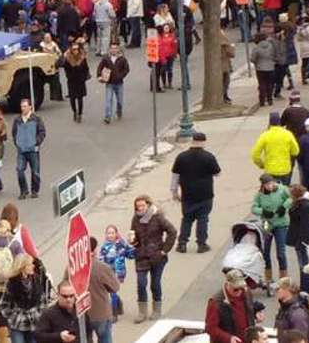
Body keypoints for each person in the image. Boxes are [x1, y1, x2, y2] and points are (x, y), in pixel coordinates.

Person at [169, 132, 221, 253]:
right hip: (205, 194)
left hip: (187, 194)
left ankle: (182, 243)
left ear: (192, 141)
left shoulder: (181, 157)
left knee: (187, 219)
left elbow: (175, 176)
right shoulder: (209, 157)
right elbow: (217, 173)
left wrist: (174, 191)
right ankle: (201, 244)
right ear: (203, 142)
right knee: (203, 219)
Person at [129, 195, 176, 323]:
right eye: (138, 206)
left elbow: (172, 231)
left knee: (155, 284)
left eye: (142, 205)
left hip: (157, 257)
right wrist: (133, 241)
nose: (140, 208)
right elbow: (134, 234)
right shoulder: (135, 219)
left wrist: (164, 250)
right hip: (141, 256)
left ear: (148, 205)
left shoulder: (158, 217)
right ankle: (142, 312)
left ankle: (156, 310)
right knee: (141, 283)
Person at [0, 254, 52, 343]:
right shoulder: (12, 283)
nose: (33, 266)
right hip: (17, 323)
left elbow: (42, 299)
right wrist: (13, 316)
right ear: (23, 267)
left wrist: (40, 313)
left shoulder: (36, 279)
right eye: (30, 264)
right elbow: (4, 304)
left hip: (34, 321)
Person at [253, 174, 292, 285]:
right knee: (265, 251)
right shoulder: (259, 195)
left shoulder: (282, 189)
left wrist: (284, 207)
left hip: (281, 224)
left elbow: (291, 198)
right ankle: (268, 277)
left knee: (281, 253)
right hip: (267, 223)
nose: (270, 186)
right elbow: (254, 208)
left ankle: (284, 278)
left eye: (271, 183)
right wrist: (263, 212)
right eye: (267, 185)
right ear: (263, 185)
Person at [204, 269, 261, 343]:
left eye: (241, 287)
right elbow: (210, 328)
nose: (239, 291)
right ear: (228, 284)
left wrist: (256, 313)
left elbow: (250, 308)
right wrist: (228, 338)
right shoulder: (216, 302)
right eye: (236, 289)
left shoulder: (246, 291)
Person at [87, 237, 120, 343]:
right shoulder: (101, 267)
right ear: (94, 250)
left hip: (82, 315)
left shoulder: (71, 268)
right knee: (105, 339)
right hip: (101, 313)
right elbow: (115, 287)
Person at [11, 99, 46, 200]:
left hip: (33, 150)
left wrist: (37, 142)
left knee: (35, 172)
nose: (23, 108)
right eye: (22, 106)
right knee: (19, 170)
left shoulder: (36, 119)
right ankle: (23, 190)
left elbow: (42, 132)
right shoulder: (17, 120)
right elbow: (14, 133)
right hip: (21, 150)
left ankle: (34, 190)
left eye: (25, 106)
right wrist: (17, 143)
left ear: (30, 107)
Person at [251, 112, 299, 184]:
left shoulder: (265, 135)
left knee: (271, 192)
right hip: (285, 169)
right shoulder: (288, 134)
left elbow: (255, 155)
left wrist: (261, 164)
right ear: (279, 122)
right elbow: (295, 151)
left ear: (269, 123)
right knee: (284, 191)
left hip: (270, 170)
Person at [96, 42, 130, 124]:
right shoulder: (106, 58)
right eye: (112, 48)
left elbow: (127, 69)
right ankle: (107, 117)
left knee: (120, 101)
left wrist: (121, 76)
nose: (114, 50)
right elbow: (100, 68)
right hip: (109, 83)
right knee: (108, 100)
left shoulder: (122, 59)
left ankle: (119, 111)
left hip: (119, 84)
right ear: (110, 49)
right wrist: (99, 76)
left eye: (115, 48)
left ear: (118, 49)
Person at [61, 44, 90, 122]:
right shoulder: (68, 59)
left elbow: (86, 68)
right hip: (71, 81)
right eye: (73, 49)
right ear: (71, 50)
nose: (75, 51)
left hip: (80, 81)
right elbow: (59, 65)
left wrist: (84, 77)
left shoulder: (82, 58)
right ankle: (74, 112)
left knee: (80, 99)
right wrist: (63, 56)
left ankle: (80, 114)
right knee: (72, 98)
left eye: (77, 49)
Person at [250, 33, 276, 107]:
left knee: (262, 84)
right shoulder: (271, 46)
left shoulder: (256, 48)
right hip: (271, 67)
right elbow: (274, 55)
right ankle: (270, 99)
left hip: (260, 68)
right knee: (270, 84)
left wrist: (256, 62)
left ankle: (262, 100)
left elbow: (253, 59)